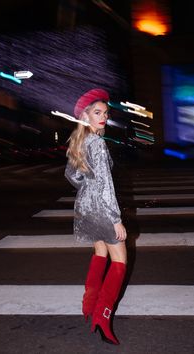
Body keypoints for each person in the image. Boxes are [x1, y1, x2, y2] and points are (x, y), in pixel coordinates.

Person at [65, 88, 127, 345]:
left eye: (105, 113)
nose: (103, 117)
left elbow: (71, 175)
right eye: (97, 113)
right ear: (85, 116)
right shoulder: (98, 144)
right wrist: (115, 218)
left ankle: (89, 305)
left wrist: (87, 189)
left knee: (100, 254)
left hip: (85, 209)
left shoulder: (79, 141)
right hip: (103, 209)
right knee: (120, 262)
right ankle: (102, 315)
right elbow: (105, 185)